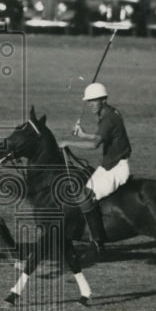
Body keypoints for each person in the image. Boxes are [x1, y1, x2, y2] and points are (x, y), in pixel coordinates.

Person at [58, 82, 132, 254]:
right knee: (84, 190)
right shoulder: (109, 113)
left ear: (103, 100)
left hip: (116, 168)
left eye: (94, 100)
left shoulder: (108, 119)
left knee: (85, 196)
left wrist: (68, 142)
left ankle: (98, 241)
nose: (91, 104)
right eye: (89, 101)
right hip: (109, 165)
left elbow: (94, 145)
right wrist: (83, 134)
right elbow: (102, 136)